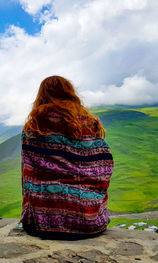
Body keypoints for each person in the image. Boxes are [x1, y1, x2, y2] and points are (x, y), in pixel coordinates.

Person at [20, 75, 114, 240]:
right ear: (70, 93)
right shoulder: (90, 124)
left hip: (43, 224)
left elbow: (28, 176)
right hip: (89, 222)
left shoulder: (35, 126)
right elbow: (104, 169)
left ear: (41, 95)